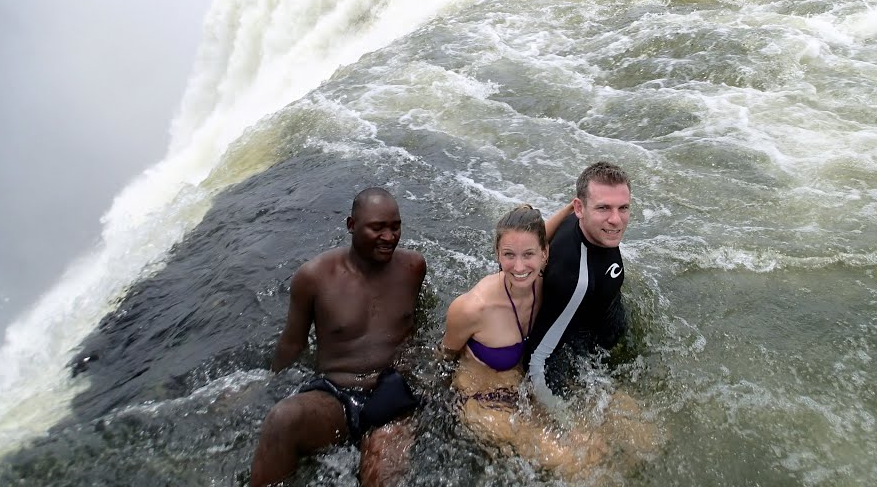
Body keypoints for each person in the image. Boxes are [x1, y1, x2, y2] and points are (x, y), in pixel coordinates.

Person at [248, 187, 428, 487]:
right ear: (351, 225)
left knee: (380, 475)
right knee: (282, 420)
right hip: (334, 396)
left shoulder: (413, 268)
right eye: (377, 228)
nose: (389, 237)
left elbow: (416, 326)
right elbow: (292, 344)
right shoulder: (314, 278)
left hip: (392, 394)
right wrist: (269, 387)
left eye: (395, 227)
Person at [439, 204, 605, 477]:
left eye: (529, 255)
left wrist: (571, 207)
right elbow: (443, 357)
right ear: (497, 255)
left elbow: (539, 234)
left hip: (525, 389)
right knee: (577, 463)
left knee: (608, 439)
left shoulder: (546, 286)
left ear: (545, 254)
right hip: (482, 401)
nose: (518, 267)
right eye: (508, 255)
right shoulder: (472, 308)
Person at [525, 161, 633, 413]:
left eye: (623, 207)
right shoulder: (575, 280)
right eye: (604, 208)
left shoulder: (589, 226)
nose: (616, 220)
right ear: (579, 208)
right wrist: (561, 417)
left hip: (605, 314)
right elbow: (537, 359)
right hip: (584, 354)